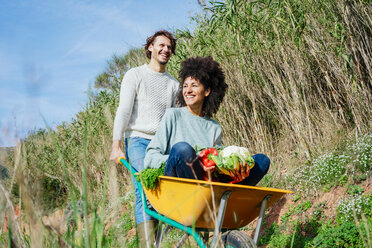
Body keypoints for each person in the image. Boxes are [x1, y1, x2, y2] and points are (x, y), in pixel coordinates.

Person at [144, 56, 270, 185]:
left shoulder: (214, 127)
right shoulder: (172, 115)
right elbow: (150, 157)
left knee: (262, 160)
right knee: (182, 149)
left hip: (207, 182)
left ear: (207, 91)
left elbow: (216, 161)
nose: (188, 91)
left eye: (194, 85)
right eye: (185, 86)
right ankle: (207, 197)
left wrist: (232, 167)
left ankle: (227, 196)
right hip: (177, 182)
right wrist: (194, 161)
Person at [109, 30, 178, 247]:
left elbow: (174, 122)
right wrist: (116, 145)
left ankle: (158, 242)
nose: (165, 49)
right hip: (138, 141)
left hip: (162, 146)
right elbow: (123, 111)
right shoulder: (135, 75)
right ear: (150, 48)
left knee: (162, 194)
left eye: (169, 47)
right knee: (145, 191)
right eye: (161, 45)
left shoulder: (174, 84)